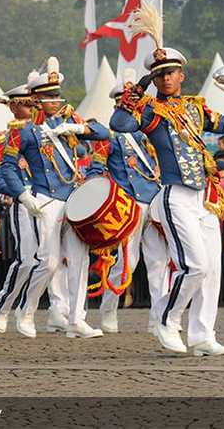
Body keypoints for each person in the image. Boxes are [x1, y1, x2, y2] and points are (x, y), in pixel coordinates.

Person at [110, 2, 224, 356]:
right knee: (192, 265)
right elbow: (118, 126)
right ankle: (166, 320)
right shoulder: (151, 111)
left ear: (182, 76)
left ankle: (202, 335)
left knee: (211, 270)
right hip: (174, 196)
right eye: (159, 73)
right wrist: (135, 95)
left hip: (205, 197)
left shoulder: (195, 107)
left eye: (170, 72)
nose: (165, 78)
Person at [0, 57, 110, 339]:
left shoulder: (70, 119)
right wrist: (23, 196)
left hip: (71, 198)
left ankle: (76, 318)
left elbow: (104, 133)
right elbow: (8, 167)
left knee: (78, 259)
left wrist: (80, 129)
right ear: (35, 99)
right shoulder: (21, 130)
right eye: (49, 96)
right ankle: (26, 310)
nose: (55, 100)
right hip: (44, 199)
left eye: (57, 94)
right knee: (48, 262)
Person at [86, 76, 169, 335]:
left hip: (154, 200)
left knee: (159, 262)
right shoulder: (109, 134)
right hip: (128, 205)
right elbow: (96, 170)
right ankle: (108, 309)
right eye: (129, 98)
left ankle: (158, 318)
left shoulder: (149, 127)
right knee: (126, 263)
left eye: (136, 98)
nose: (134, 102)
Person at [0, 82, 37, 334]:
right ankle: (4, 305)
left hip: (49, 199)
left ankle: (54, 314)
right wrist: (20, 191)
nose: (32, 109)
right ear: (13, 106)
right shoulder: (2, 139)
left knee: (54, 263)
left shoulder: (46, 133)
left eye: (33, 103)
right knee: (27, 260)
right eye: (26, 104)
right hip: (25, 201)